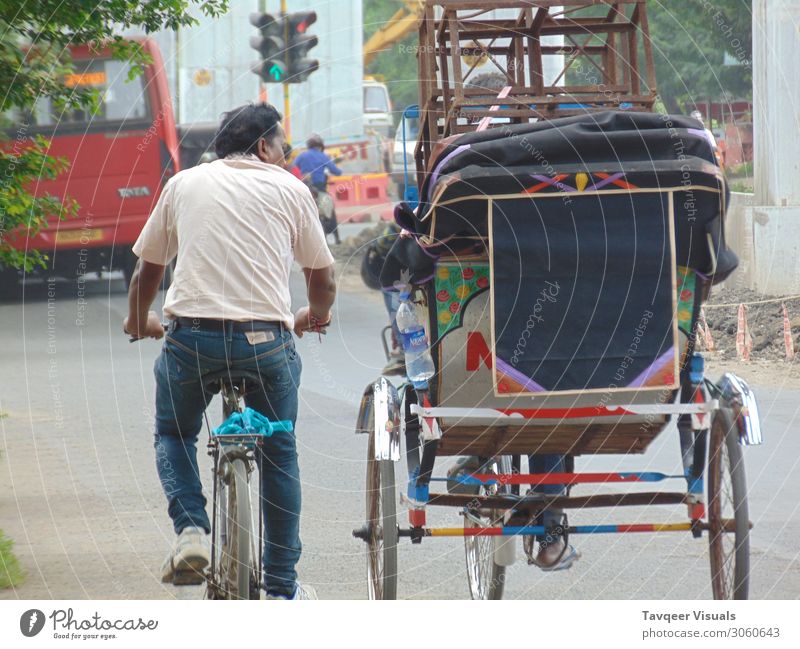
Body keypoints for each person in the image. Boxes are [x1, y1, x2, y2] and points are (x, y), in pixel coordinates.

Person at [123, 102, 336, 600]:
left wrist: (139, 323)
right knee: (280, 453)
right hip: (266, 342)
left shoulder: (184, 185)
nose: (286, 155)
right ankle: (282, 589)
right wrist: (315, 317)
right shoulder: (290, 189)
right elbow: (322, 278)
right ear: (263, 146)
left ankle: (192, 531)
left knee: (174, 433)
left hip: (191, 337)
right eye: (282, 145)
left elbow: (146, 273)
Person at [294, 134, 343, 245]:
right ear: (320, 146)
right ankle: (336, 238)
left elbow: (293, 167)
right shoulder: (323, 156)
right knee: (329, 209)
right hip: (319, 188)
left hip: (303, 188)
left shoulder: (302, 156)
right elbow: (336, 171)